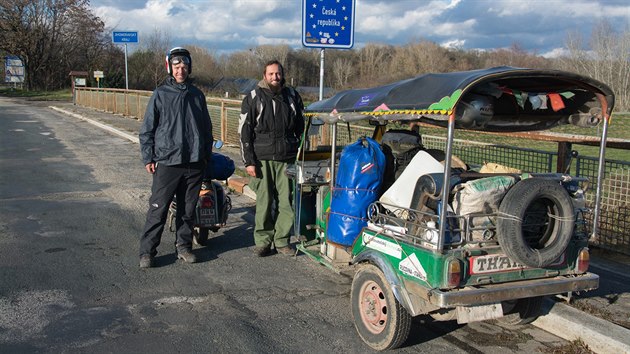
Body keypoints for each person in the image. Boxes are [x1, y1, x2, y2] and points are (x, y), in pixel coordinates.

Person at [138, 47, 214, 268]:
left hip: (194, 162)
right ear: (169, 67)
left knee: (188, 209)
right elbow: (147, 129)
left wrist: (205, 156)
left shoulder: (197, 95)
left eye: (184, 66)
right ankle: (147, 252)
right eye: (176, 66)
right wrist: (148, 157)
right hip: (168, 161)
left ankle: (183, 246)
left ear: (189, 67)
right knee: (158, 208)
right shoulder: (161, 94)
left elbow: (207, 129)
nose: (181, 70)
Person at [239, 60, 305, 257]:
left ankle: (282, 241)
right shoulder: (253, 97)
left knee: (287, 202)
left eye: (278, 74)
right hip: (262, 159)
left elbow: (301, 127)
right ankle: (263, 241)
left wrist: (301, 152)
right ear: (264, 75)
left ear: (282, 75)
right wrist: (248, 162)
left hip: (287, 158)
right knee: (264, 202)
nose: (275, 77)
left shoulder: (292, 96)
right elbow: (244, 132)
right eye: (271, 74)